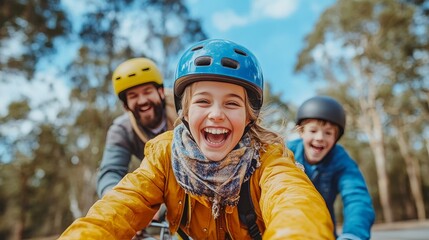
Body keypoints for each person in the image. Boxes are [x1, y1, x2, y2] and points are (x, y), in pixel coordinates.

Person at [59, 39, 334, 239]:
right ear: (185, 113)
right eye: (203, 101)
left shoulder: (268, 158)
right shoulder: (161, 152)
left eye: (232, 104)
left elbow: (294, 202)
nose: (216, 114)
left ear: (250, 116)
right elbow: (120, 203)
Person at [98, 57, 177, 238]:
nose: (142, 101)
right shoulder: (121, 130)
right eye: (133, 96)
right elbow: (110, 172)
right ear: (126, 105)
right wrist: (124, 206)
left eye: (147, 91)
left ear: (160, 92)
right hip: (157, 185)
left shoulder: (187, 108)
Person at [287, 96, 375, 240]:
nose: (320, 137)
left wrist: (352, 235)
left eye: (328, 133)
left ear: (336, 138)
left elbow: (356, 198)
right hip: (287, 229)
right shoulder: (285, 153)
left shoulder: (340, 160)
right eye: (313, 131)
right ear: (301, 132)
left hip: (324, 233)